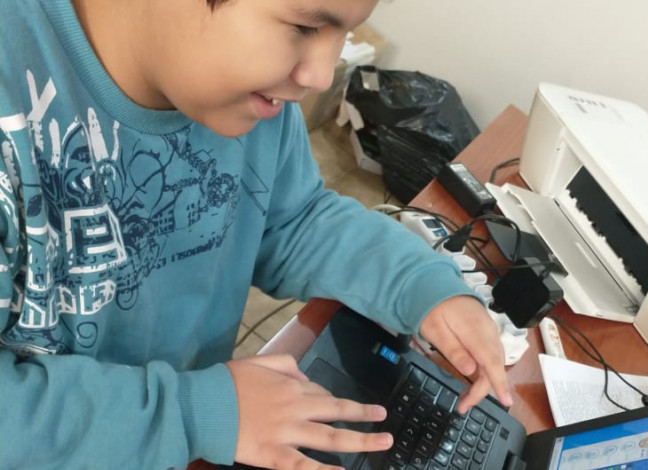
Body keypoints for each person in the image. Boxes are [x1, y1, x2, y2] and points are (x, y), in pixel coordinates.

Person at [0, 0, 512, 469]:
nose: (320, 75)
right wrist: (191, 414)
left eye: (344, 33)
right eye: (305, 27)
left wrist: (420, 284)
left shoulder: (253, 102)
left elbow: (294, 220)